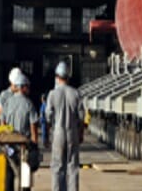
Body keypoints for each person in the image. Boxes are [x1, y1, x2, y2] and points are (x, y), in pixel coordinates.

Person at [45, 62, 85, 191]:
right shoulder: (75, 93)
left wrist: (49, 131)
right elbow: (81, 117)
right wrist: (80, 134)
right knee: (73, 167)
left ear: (57, 77)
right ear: (68, 77)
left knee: (57, 167)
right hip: (72, 132)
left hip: (58, 133)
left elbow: (48, 116)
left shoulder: (52, 94)